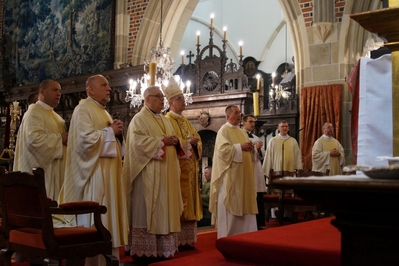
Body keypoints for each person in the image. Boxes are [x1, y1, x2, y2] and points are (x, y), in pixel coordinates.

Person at [60, 74, 128, 265]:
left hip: (108, 176)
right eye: (104, 85)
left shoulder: (102, 111)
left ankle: (107, 260)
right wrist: (110, 132)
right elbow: (83, 142)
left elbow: (106, 141)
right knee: (97, 218)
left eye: (109, 85)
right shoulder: (83, 109)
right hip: (95, 176)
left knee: (107, 220)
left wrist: (117, 134)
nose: (109, 89)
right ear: (90, 89)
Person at [122, 85, 183, 259]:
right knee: (147, 209)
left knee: (164, 208)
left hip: (166, 176)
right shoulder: (139, 119)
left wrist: (175, 141)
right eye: (159, 96)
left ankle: (164, 249)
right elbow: (136, 144)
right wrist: (162, 141)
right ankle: (145, 252)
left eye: (163, 96)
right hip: (147, 175)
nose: (163, 99)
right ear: (147, 99)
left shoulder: (165, 120)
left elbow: (173, 142)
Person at [14, 79, 67, 201]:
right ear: (42, 92)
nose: (59, 93)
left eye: (60, 91)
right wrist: (60, 138)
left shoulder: (57, 117)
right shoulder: (34, 112)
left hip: (56, 172)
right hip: (41, 175)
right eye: (54, 90)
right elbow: (34, 140)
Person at [164, 77, 203, 247]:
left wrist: (195, 143)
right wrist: (187, 142)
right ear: (171, 103)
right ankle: (177, 240)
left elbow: (198, 139)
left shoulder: (186, 121)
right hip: (177, 171)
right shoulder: (167, 120)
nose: (183, 101)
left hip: (191, 171)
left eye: (183, 98)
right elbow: (172, 141)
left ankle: (187, 240)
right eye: (180, 98)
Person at [210, 105, 258, 239]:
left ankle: (246, 237)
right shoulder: (223, 131)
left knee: (246, 206)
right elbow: (222, 152)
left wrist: (251, 149)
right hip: (231, 178)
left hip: (244, 177)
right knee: (231, 205)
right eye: (236, 113)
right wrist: (239, 147)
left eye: (239, 112)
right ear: (228, 116)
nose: (239, 115)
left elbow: (248, 151)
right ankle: (229, 238)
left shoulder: (242, 132)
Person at [262, 120, 303, 220]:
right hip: (276, 169)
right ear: (278, 128)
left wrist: (298, 169)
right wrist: (268, 171)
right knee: (277, 191)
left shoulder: (293, 141)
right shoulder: (273, 141)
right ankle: (276, 214)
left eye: (286, 126)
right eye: (282, 126)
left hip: (290, 170)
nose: (284, 128)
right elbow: (268, 156)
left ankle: (287, 215)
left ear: (288, 128)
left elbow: (297, 156)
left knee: (288, 192)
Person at [242, 114, 266, 230]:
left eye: (254, 122)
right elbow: (244, 156)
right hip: (248, 170)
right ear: (244, 123)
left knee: (259, 197)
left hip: (257, 170)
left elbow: (262, 156)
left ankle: (260, 223)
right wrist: (256, 149)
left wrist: (260, 151)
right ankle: (251, 224)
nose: (253, 124)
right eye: (250, 121)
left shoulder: (256, 137)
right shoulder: (241, 137)